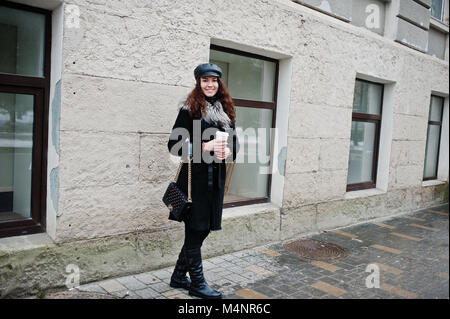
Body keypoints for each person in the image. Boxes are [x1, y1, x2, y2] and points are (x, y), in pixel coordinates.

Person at [167, 63, 240, 299]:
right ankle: (197, 283)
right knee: (195, 228)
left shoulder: (225, 111)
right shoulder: (189, 110)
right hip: (194, 180)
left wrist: (227, 151)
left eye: (214, 81)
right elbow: (174, 145)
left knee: (204, 228)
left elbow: (234, 144)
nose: (210, 85)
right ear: (199, 83)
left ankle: (179, 276)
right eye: (205, 81)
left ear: (219, 84)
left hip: (215, 180)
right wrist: (203, 146)